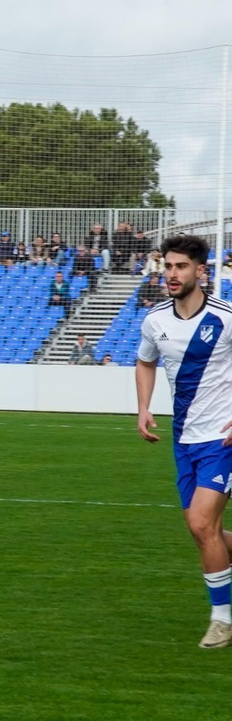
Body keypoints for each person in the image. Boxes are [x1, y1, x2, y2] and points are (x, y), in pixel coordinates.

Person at [134, 235, 232, 648]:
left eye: (180, 267)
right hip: (184, 440)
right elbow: (144, 361)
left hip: (222, 439)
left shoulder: (226, 317)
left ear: (200, 271)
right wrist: (143, 407)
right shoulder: (155, 320)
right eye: (168, 267)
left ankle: (222, 620)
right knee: (204, 532)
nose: (171, 275)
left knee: (200, 522)